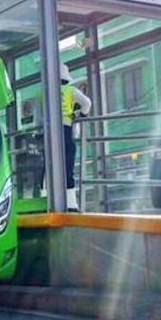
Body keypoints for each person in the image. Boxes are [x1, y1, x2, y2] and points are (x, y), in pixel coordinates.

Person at [61, 63, 92, 212]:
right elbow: (87, 103)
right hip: (66, 130)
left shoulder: (46, 93)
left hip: (49, 135)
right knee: (68, 169)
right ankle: (71, 204)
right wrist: (81, 114)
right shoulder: (70, 90)